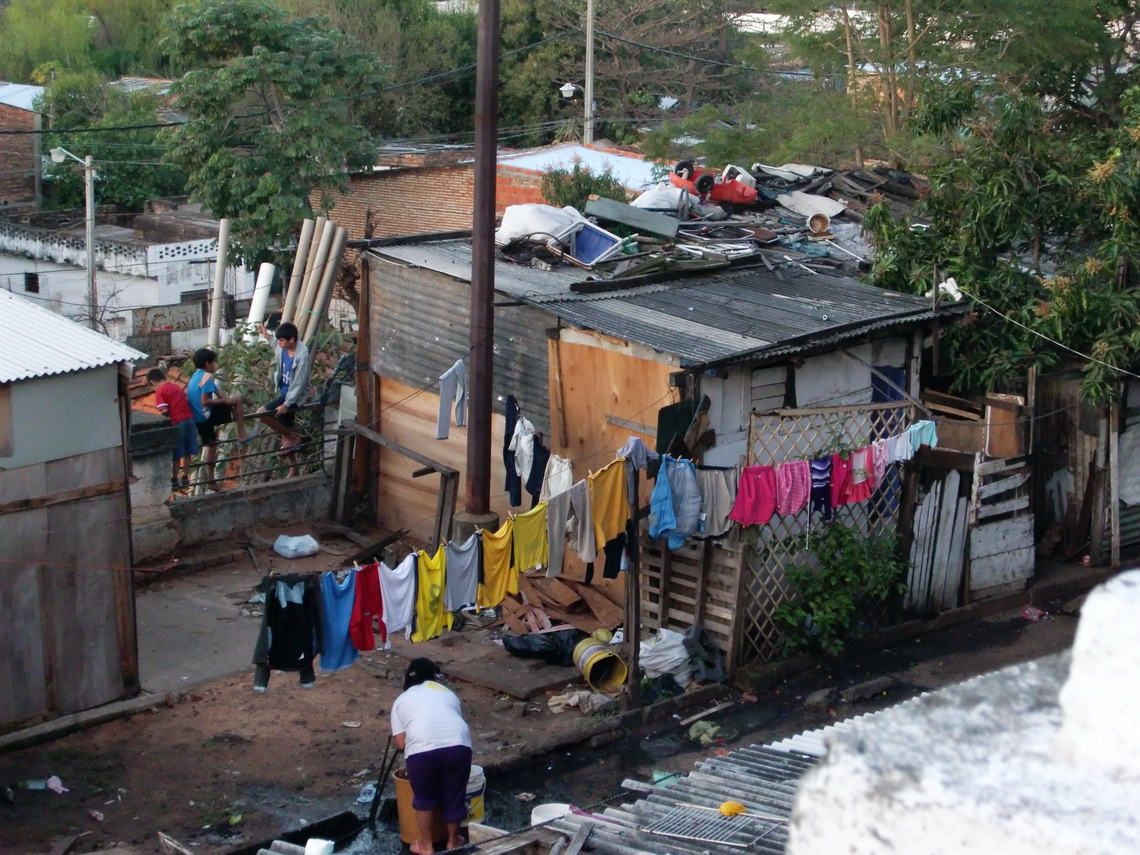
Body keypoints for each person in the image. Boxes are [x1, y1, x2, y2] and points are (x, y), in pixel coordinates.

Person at [390, 657, 472, 854]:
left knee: (424, 799)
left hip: (421, 751)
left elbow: (401, 744)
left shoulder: (401, 700)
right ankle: (453, 841)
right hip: (458, 746)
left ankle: (426, 847)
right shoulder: (447, 693)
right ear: (433, 676)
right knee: (454, 796)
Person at [186, 347, 251, 491]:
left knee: (212, 447)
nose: (215, 365)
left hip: (198, 419)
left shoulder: (195, 376)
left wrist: (226, 400)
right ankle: (242, 434)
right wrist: (226, 402)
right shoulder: (206, 377)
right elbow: (205, 401)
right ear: (208, 363)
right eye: (214, 362)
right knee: (238, 399)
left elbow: (218, 393)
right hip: (206, 416)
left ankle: (211, 481)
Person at [256, 321, 312, 477]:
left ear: (292, 340)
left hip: (292, 395)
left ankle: (292, 437)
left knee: (262, 413)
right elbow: (276, 345)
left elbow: (300, 383)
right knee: (284, 430)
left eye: (282, 340)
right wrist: (267, 336)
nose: (279, 342)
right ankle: (293, 469)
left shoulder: (302, 356)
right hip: (283, 391)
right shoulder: (283, 349)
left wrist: (287, 403)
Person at [148, 367, 199, 492]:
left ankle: (174, 479)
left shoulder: (161, 391)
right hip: (189, 419)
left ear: (153, 382)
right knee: (188, 451)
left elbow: (164, 410)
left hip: (178, 422)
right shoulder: (176, 386)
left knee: (177, 453)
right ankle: (185, 477)